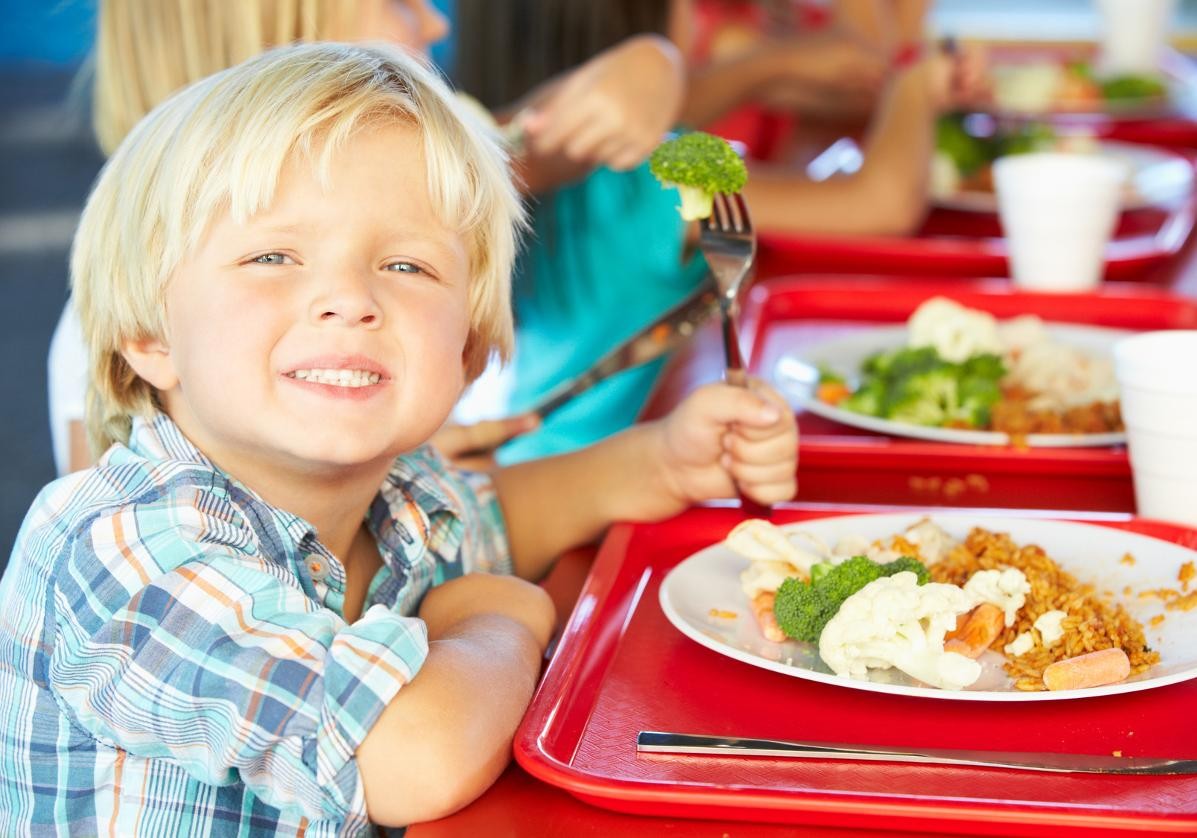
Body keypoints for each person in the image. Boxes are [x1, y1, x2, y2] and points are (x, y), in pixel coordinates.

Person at [1, 42, 798, 833]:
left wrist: (664, 458)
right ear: (149, 335)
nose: (349, 299)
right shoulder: (124, 553)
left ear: (469, 350)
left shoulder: (395, 493)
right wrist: (496, 621)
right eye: (272, 255)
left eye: (407, 267)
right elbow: (409, 757)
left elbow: (499, 517)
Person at [48, 0, 686, 475]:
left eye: (405, 266)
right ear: (290, 42)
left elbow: (538, 140)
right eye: (399, 2)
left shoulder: (394, 182)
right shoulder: (124, 321)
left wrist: (658, 62)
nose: (436, 24)